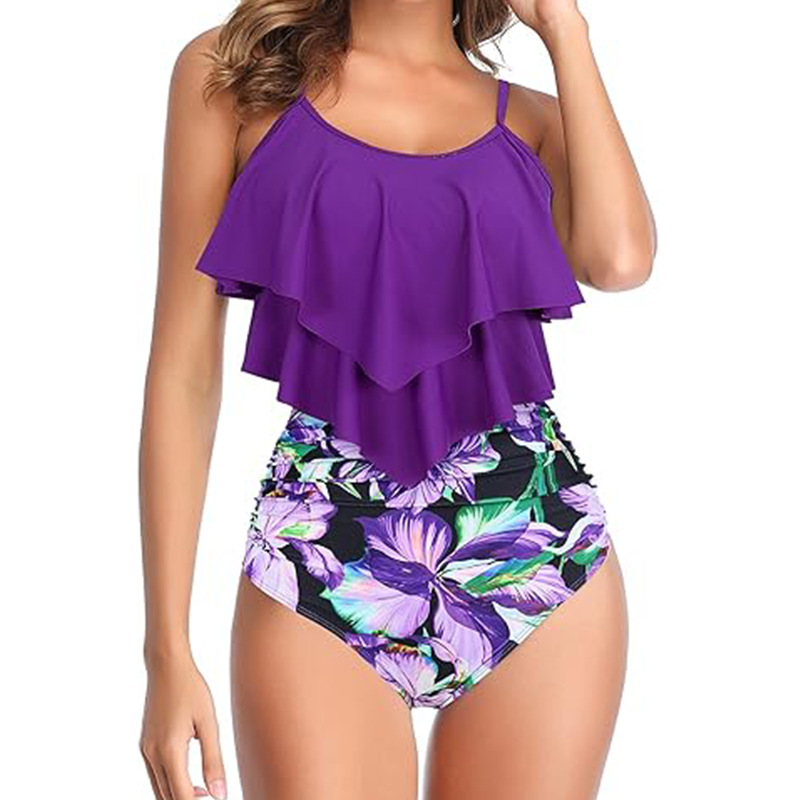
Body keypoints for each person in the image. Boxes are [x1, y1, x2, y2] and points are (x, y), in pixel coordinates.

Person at [138, 0, 655, 796]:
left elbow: (619, 260)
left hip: (537, 555)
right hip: (321, 557)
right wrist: (166, 652)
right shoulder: (236, 77)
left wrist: (565, 30)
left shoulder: (535, 121)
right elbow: (184, 371)